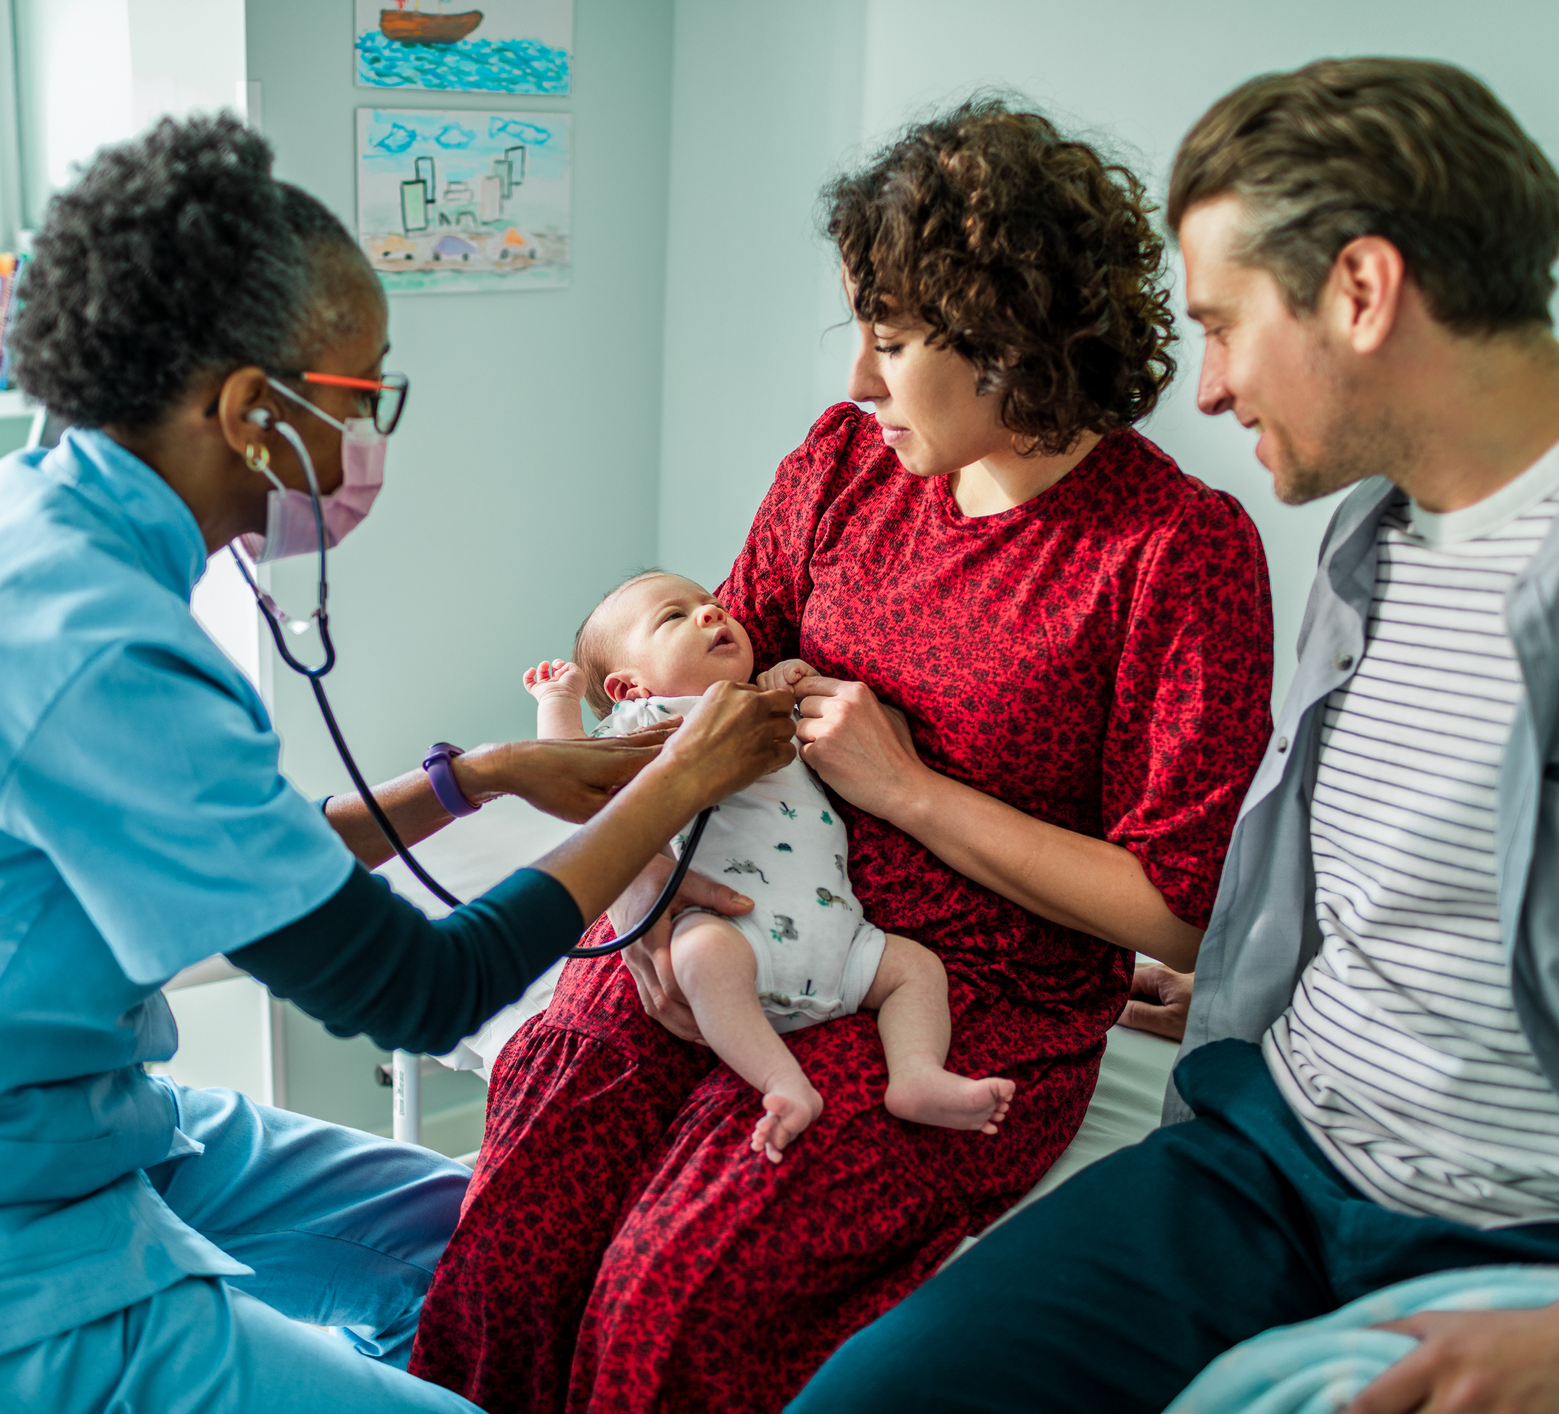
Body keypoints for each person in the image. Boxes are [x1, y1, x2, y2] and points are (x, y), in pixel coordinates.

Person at [0, 115, 795, 1414]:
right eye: (364, 398)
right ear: (253, 413)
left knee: (513, 1231)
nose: (373, 439)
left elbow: (233, 854)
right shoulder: (79, 638)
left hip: (64, 1123)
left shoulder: (43, 520)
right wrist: (677, 778)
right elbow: (422, 988)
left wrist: (477, 776)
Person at [789, 58, 1559, 1414]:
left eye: (1223, 326)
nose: (1210, 388)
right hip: (1271, 1158)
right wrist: (1253, 958)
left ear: (1359, 292)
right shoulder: (1374, 542)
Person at [410, 99, 1275, 1414]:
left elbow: (1181, 904)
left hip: (953, 993)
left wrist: (910, 792)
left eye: (889, 341)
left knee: (670, 1284)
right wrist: (635, 879)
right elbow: (699, 698)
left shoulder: (1173, 551)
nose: (860, 382)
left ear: (1007, 340)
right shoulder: (841, 466)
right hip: (729, 914)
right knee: (529, 1179)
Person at [525, 572, 1016, 1162]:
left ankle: (916, 1075)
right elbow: (570, 773)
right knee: (700, 955)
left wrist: (798, 682)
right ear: (629, 688)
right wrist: (557, 703)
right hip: (737, 929)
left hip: (841, 936)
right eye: (674, 617)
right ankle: (782, 1083)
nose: (711, 614)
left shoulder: (771, 701)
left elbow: (867, 732)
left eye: (710, 604)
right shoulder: (650, 722)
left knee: (917, 971)